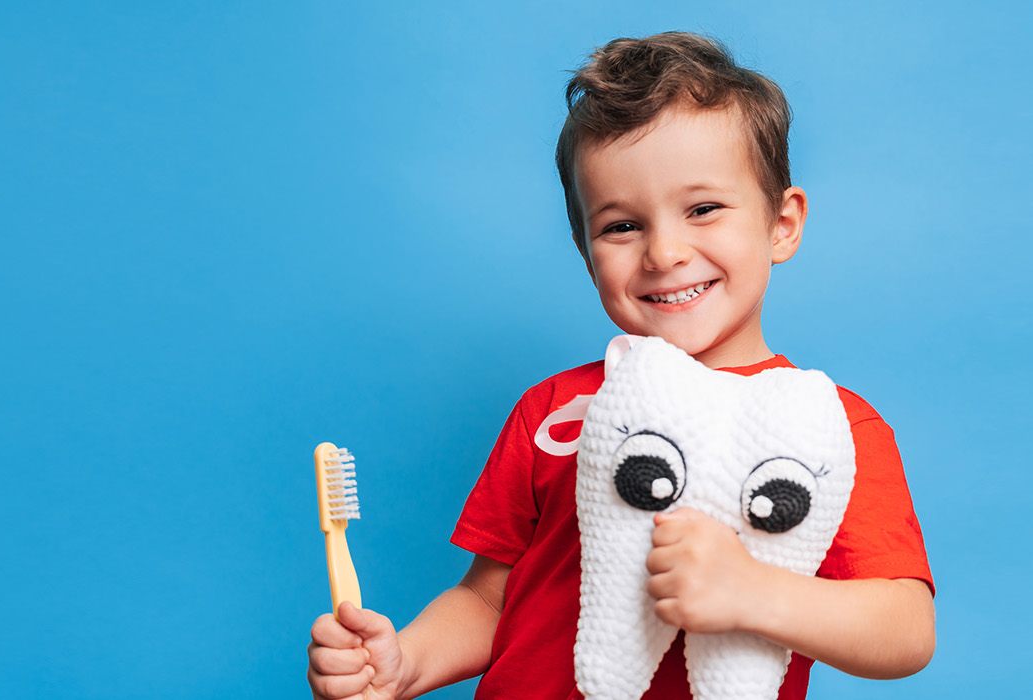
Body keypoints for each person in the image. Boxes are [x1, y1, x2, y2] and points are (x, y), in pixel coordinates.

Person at [306, 32, 935, 700]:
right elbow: (489, 602)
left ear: (782, 223)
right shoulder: (554, 413)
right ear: (584, 250)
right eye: (621, 226)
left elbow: (904, 630)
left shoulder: (827, 428)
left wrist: (758, 594)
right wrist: (403, 663)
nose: (665, 252)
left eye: (703, 209)